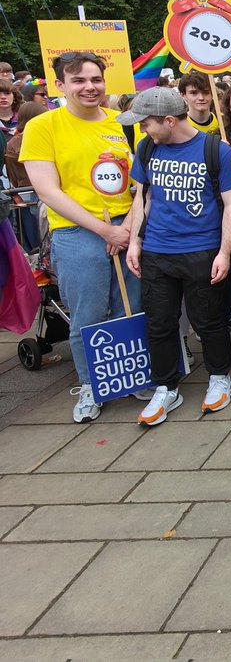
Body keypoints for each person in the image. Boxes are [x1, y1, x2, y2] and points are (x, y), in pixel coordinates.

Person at [21, 52, 142, 422]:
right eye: (78, 81)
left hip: (127, 227)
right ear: (60, 86)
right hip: (77, 232)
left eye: (95, 79)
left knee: (130, 309)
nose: (89, 87)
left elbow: (143, 184)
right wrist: (103, 229)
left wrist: (127, 230)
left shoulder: (125, 123)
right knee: (88, 315)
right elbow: (47, 190)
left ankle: (132, 376)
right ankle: (91, 383)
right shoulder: (44, 127)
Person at [121, 88, 231, 425]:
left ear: (170, 120)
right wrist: (135, 242)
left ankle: (220, 376)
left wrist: (223, 251)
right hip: (157, 251)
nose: (143, 130)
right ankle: (165, 385)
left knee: (209, 320)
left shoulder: (214, 150)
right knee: (159, 321)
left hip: (201, 251)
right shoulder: (147, 148)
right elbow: (142, 198)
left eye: (146, 123)